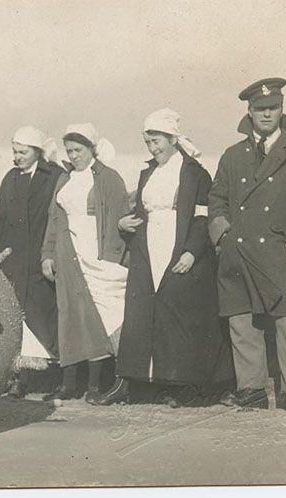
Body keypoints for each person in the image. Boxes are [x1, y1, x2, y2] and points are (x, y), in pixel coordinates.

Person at [209, 78, 286, 412]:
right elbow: (216, 198)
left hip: (280, 248)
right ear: (249, 111)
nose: (266, 115)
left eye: (272, 108)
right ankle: (252, 389)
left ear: (281, 109)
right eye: (260, 109)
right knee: (241, 320)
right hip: (239, 249)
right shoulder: (233, 156)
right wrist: (223, 234)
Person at [103, 109, 234, 406]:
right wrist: (124, 223)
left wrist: (191, 251)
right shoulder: (148, 171)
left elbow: (203, 217)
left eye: (157, 140)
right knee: (142, 312)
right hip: (148, 248)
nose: (153, 148)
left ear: (173, 138)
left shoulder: (194, 172)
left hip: (181, 247)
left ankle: (182, 384)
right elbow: (142, 212)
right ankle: (134, 381)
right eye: (148, 142)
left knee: (178, 313)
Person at [40, 123, 130, 403]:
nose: (74, 155)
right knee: (70, 315)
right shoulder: (64, 179)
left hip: (96, 252)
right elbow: (54, 219)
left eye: (79, 150)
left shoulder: (109, 178)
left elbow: (118, 221)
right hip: (68, 253)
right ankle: (69, 383)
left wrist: (111, 259)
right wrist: (47, 254)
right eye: (69, 151)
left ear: (93, 149)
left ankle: (95, 384)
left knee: (98, 315)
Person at [0, 126, 64, 398]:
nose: (17, 157)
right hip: (15, 259)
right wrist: (0, 256)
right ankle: (22, 378)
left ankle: (53, 376)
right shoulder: (10, 179)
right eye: (14, 151)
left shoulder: (54, 176)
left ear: (37, 151)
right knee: (18, 319)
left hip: (40, 259)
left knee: (44, 317)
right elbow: (1, 220)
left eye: (22, 152)